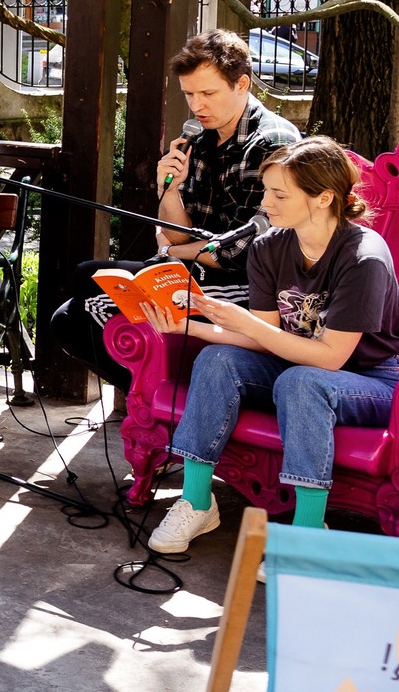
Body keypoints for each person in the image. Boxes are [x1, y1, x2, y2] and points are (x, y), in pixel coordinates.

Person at [147, 138, 399, 552]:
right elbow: (263, 339)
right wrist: (189, 327)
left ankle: (307, 530)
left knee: (302, 382)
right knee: (218, 359)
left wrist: (247, 323)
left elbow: (332, 358)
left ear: (323, 198)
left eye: (280, 194)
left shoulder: (363, 257)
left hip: (369, 378)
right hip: (295, 363)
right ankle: (196, 500)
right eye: (266, 190)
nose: (266, 203)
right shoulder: (268, 247)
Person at [50, 30, 302, 390]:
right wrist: (167, 189)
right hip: (195, 270)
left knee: (80, 308)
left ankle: (165, 400)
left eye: (208, 93)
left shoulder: (271, 143)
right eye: (189, 94)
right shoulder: (199, 138)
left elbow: (240, 253)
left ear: (242, 84)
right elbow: (178, 232)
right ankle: (158, 396)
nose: (197, 106)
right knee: (76, 296)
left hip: (250, 287)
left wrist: (170, 251)